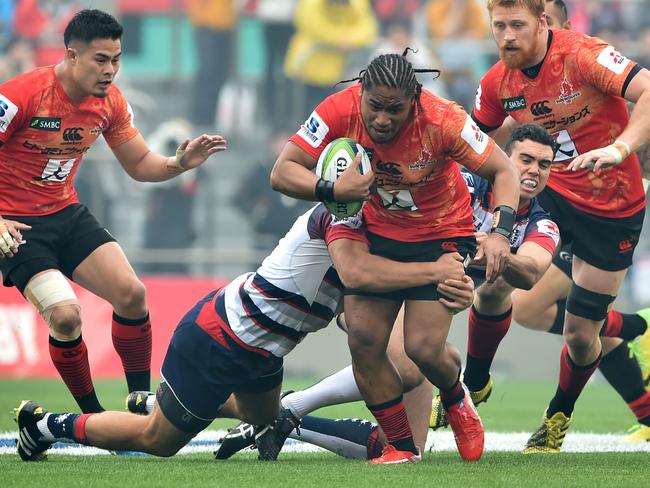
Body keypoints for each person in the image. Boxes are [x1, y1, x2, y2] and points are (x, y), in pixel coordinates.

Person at [13, 203, 473, 462]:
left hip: (264, 352)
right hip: (221, 336)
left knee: (269, 418)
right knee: (159, 441)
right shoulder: (343, 217)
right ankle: (46, 425)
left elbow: (357, 317)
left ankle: (167, 401)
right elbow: (358, 273)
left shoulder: (374, 229)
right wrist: (437, 272)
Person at [218, 123, 559, 460]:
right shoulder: (462, 182)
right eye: (525, 159)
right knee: (407, 364)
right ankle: (287, 406)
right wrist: (468, 244)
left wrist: (496, 253)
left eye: (544, 165)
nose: (533, 170)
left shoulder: (541, 224)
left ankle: (284, 418)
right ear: (503, 160)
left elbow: (531, 271)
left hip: (422, 303)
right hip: (378, 273)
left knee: (407, 437)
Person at [270, 50, 521, 463]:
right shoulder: (337, 109)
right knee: (365, 342)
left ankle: (456, 396)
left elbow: (504, 170)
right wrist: (330, 191)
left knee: (422, 349)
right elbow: (283, 171)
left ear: (415, 101)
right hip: (377, 232)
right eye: (375, 107)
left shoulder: (444, 120)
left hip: (441, 233)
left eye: (395, 110)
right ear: (361, 92)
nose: (383, 119)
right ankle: (402, 447)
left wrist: (500, 232)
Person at [0, 9, 227, 414]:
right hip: (16, 226)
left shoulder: (110, 103)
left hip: (66, 213)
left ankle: (139, 404)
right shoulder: (22, 95)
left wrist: (179, 164)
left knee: (132, 295)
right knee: (67, 317)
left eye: (117, 59)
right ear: (72, 56)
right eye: (101, 60)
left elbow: (140, 165)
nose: (111, 70)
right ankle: (93, 417)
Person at [474, 0, 650, 453]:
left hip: (612, 207)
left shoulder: (584, 55)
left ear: (545, 23)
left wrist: (619, 150)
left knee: (580, 333)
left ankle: (560, 414)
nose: (508, 35)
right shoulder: (497, 81)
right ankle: (470, 386)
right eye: (500, 26)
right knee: (499, 282)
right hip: (550, 194)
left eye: (518, 25)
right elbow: (472, 139)